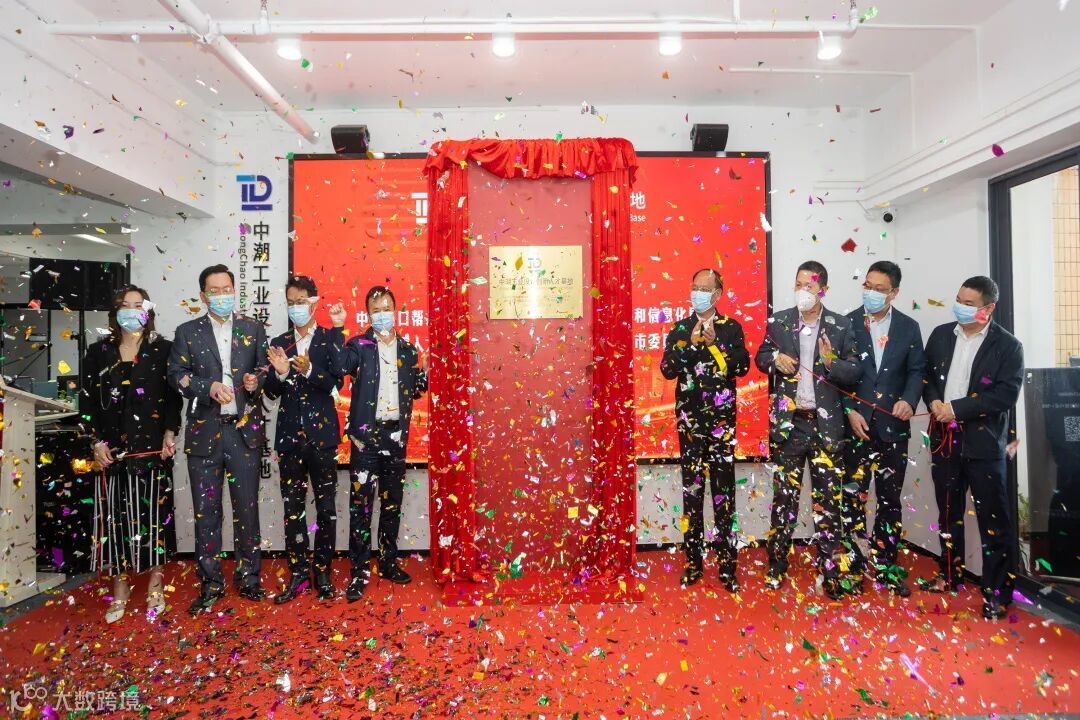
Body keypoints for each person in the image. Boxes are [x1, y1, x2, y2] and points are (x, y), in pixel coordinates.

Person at [754, 260, 861, 599]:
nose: (802, 290)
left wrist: (831, 363)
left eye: (809, 285)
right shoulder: (780, 321)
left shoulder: (840, 326)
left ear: (822, 290)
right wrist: (775, 360)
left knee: (828, 504)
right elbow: (760, 357)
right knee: (783, 500)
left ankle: (830, 572)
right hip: (791, 425)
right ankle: (776, 565)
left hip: (826, 426)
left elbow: (854, 372)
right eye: (798, 284)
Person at [167, 264, 269, 614]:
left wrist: (255, 382)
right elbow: (176, 375)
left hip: (243, 435)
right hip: (204, 435)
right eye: (215, 290)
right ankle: (211, 582)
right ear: (203, 295)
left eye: (227, 289)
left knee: (247, 509)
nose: (223, 295)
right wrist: (206, 387)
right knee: (206, 512)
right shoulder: (187, 332)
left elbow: (263, 370)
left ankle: (249, 578)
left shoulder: (252, 328)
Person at [920, 276, 1023, 620]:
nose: (960, 307)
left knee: (994, 520)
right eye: (958, 300)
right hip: (944, 439)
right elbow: (928, 378)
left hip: (984, 443)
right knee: (948, 512)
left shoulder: (1007, 346)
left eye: (969, 303)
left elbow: (1004, 395)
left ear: (988, 308)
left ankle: (997, 592)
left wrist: (957, 408)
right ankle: (950, 574)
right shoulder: (940, 335)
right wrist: (934, 402)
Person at [80, 286, 181, 623]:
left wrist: (170, 433)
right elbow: (86, 400)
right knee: (115, 520)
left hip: (151, 449)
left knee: (153, 518)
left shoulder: (162, 349)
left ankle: (155, 584)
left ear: (148, 312)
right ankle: (120, 587)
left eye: (139, 305)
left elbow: (173, 398)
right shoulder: (98, 352)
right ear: (115, 312)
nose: (132, 311)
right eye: (125, 305)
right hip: (111, 452)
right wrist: (95, 441)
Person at [331, 286, 427, 602]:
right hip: (365, 439)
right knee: (361, 506)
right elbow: (339, 366)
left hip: (396, 437)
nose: (382, 314)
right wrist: (337, 328)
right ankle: (359, 571)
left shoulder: (408, 350)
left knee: (391, 503)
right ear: (368, 314)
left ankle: (387, 562)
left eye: (387, 308)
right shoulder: (358, 346)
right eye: (376, 310)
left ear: (395, 310)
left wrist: (425, 374)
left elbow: (415, 390)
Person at [660, 268, 750, 591]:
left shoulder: (731, 328)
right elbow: (667, 369)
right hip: (690, 425)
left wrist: (715, 346)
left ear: (717, 294)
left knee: (725, 496)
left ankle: (727, 565)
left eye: (704, 288)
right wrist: (689, 344)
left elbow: (742, 366)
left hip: (721, 426)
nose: (697, 293)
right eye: (694, 287)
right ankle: (693, 562)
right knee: (692, 495)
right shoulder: (680, 328)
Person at [841, 261, 926, 597]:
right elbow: (836, 374)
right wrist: (850, 410)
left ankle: (886, 566)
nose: (871, 293)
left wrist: (909, 400)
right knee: (852, 499)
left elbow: (917, 372)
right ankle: (852, 567)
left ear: (894, 293)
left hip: (893, 427)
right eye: (868, 286)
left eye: (879, 289)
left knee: (890, 501)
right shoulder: (847, 323)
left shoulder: (909, 327)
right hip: (856, 427)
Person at [264, 276, 347, 604]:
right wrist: (282, 373)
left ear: (314, 302)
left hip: (322, 439)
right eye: (290, 302)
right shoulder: (279, 342)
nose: (295, 307)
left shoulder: (328, 339)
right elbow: (271, 393)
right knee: (293, 509)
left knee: (326, 509)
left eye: (301, 301)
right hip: (289, 440)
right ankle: (298, 573)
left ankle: (323, 572)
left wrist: (310, 370)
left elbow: (337, 384)